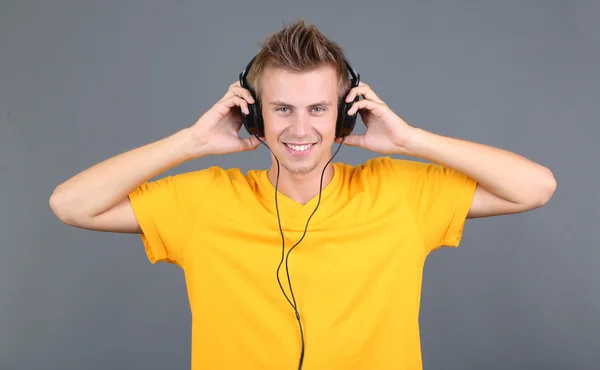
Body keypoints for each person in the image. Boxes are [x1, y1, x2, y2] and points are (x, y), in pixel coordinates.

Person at [49, 19, 556, 370]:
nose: (299, 127)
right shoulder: (204, 202)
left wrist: (410, 140)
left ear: (343, 115)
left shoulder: (399, 194)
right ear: (254, 115)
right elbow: (70, 204)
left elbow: (536, 187)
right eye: (282, 108)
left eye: (318, 108)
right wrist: (192, 142)